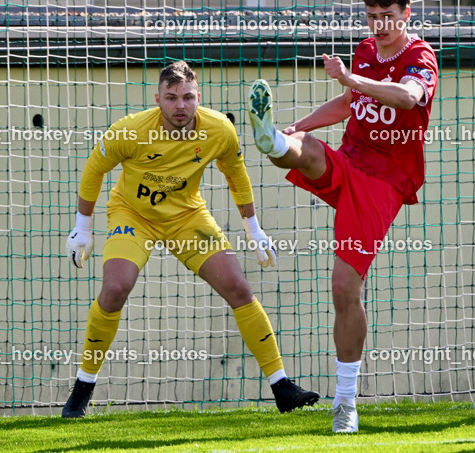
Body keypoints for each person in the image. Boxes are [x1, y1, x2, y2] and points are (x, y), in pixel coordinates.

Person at [62, 61, 317, 418]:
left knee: (238, 287)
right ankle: (81, 392)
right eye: (171, 98)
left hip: (187, 218)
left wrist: (254, 229)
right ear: (158, 99)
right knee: (115, 288)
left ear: (199, 97)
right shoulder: (131, 130)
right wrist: (82, 227)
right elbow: (94, 169)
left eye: (187, 97)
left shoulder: (220, 130)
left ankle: (282, 387)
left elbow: (236, 175)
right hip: (133, 216)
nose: (180, 105)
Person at [247, 0, 439, 434]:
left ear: (406, 14)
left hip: (384, 184)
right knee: (307, 147)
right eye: (372, 16)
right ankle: (273, 139)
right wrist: (298, 124)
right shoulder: (366, 49)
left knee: (343, 287)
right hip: (349, 161)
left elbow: (407, 98)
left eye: (387, 16)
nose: (379, 26)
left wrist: (351, 78)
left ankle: (346, 402)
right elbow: (350, 102)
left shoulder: (420, 56)